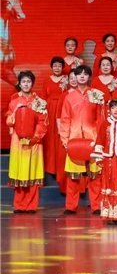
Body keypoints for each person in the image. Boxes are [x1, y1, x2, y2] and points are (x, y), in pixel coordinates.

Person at [59, 65, 104, 215]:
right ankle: (71, 206)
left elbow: (101, 119)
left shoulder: (96, 95)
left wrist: (100, 140)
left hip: (93, 139)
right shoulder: (69, 97)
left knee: (95, 176)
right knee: (73, 177)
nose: (82, 76)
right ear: (75, 77)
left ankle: (96, 206)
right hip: (74, 139)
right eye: (79, 74)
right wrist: (65, 140)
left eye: (85, 74)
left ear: (89, 77)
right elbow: (65, 119)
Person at [6, 71, 47, 214]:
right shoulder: (14, 101)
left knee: (32, 170)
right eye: (23, 81)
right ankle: (19, 205)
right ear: (19, 83)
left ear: (32, 83)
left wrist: (34, 138)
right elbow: (9, 121)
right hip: (18, 141)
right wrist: (15, 112)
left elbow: (43, 122)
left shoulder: (39, 102)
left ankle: (31, 205)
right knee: (19, 170)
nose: (26, 84)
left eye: (28, 81)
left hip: (34, 142)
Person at [41, 57, 67, 177]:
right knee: (50, 138)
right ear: (51, 67)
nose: (57, 68)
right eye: (55, 65)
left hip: (63, 109)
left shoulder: (67, 79)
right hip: (50, 110)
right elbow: (43, 97)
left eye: (59, 65)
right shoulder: (47, 80)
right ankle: (50, 167)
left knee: (60, 137)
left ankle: (61, 166)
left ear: (63, 67)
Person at [54, 72, 78, 193]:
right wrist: (61, 132)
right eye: (71, 78)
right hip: (67, 133)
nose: (73, 80)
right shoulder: (64, 95)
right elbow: (59, 115)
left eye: (75, 78)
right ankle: (66, 188)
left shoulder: (88, 94)